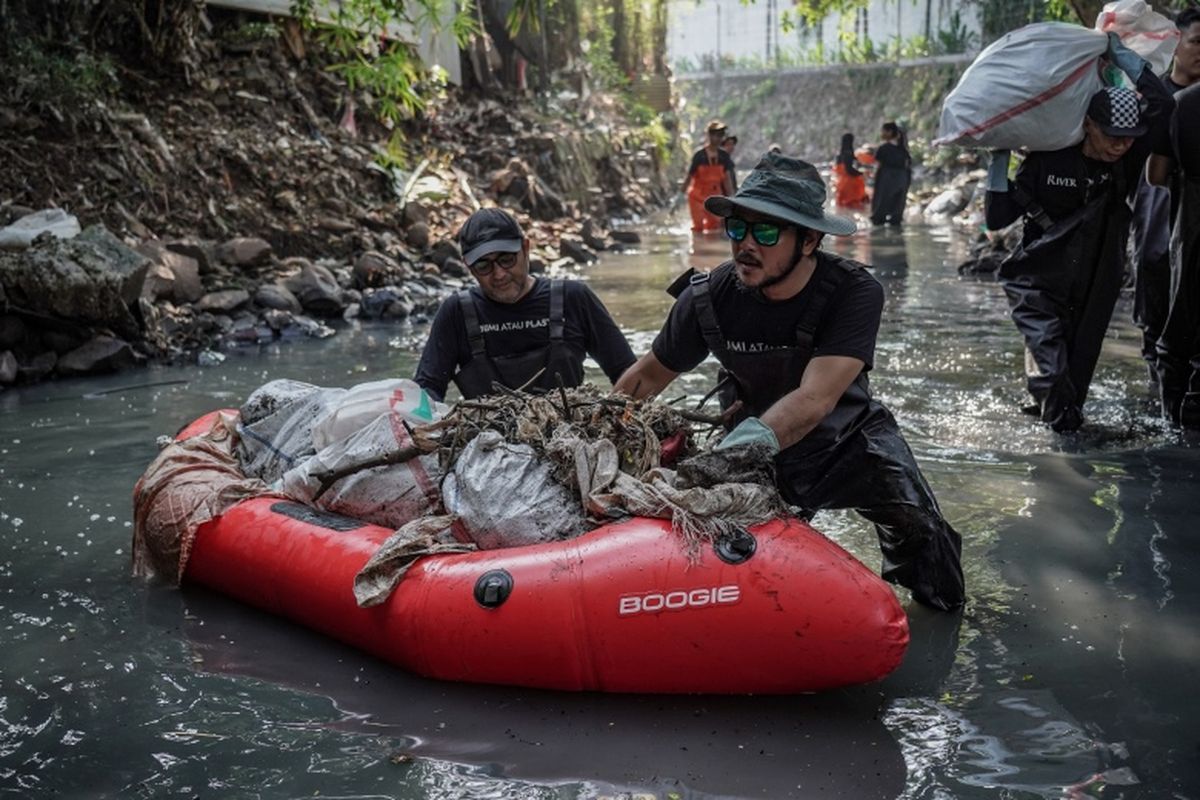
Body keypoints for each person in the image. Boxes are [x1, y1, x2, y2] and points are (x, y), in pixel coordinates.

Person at [614, 152, 965, 612]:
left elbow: (816, 399)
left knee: (924, 537)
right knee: (726, 567)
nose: (746, 245)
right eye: (738, 228)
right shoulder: (707, 299)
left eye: (765, 231)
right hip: (750, 450)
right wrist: (601, 428)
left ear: (809, 240)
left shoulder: (855, 293)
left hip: (849, 443)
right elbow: (645, 378)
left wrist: (731, 454)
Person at [985, 35, 1174, 433]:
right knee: (1053, 376)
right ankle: (1065, 465)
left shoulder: (1126, 159)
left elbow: (1163, 105)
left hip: (1096, 285)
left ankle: (1055, 435)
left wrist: (1122, 56)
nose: (1121, 146)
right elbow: (997, 218)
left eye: (1129, 138)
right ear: (1088, 125)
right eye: (1111, 136)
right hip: (1038, 284)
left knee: (1074, 387)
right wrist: (998, 162)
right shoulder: (1047, 159)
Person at [413, 208, 635, 400]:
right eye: (483, 266)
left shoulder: (573, 298)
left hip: (568, 440)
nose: (499, 274)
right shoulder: (456, 313)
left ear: (526, 248)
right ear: (468, 267)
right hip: (488, 442)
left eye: (507, 259)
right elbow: (426, 392)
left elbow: (628, 373)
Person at [1130, 8, 1200, 384]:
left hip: (1189, 237)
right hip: (1153, 227)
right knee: (1156, 335)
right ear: (1175, 44)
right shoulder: (1155, 101)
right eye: (1196, 42)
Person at [1148, 82, 1200, 427]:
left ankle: (1175, 423)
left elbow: (1155, 176)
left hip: (1191, 230)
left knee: (1178, 335)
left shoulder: (1182, 104)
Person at [682, 120, 737, 233]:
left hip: (715, 196)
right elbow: (689, 177)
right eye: (715, 135)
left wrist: (731, 197)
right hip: (697, 196)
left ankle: (711, 249)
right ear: (709, 135)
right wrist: (680, 194)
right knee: (698, 228)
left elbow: (727, 179)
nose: (718, 138)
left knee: (714, 228)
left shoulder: (724, 156)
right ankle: (696, 249)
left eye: (720, 135)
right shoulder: (699, 155)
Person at [869, 122, 912, 226]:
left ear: (890, 132)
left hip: (886, 179)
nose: (881, 133)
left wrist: (873, 179)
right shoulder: (904, 150)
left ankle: (879, 234)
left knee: (881, 204)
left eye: (883, 131)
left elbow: (878, 165)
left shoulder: (883, 148)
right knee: (898, 207)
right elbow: (907, 166)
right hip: (902, 179)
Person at [832, 132, 869, 208]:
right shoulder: (848, 153)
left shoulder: (840, 153)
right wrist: (861, 173)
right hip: (849, 183)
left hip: (841, 182)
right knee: (852, 204)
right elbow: (849, 169)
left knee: (843, 206)